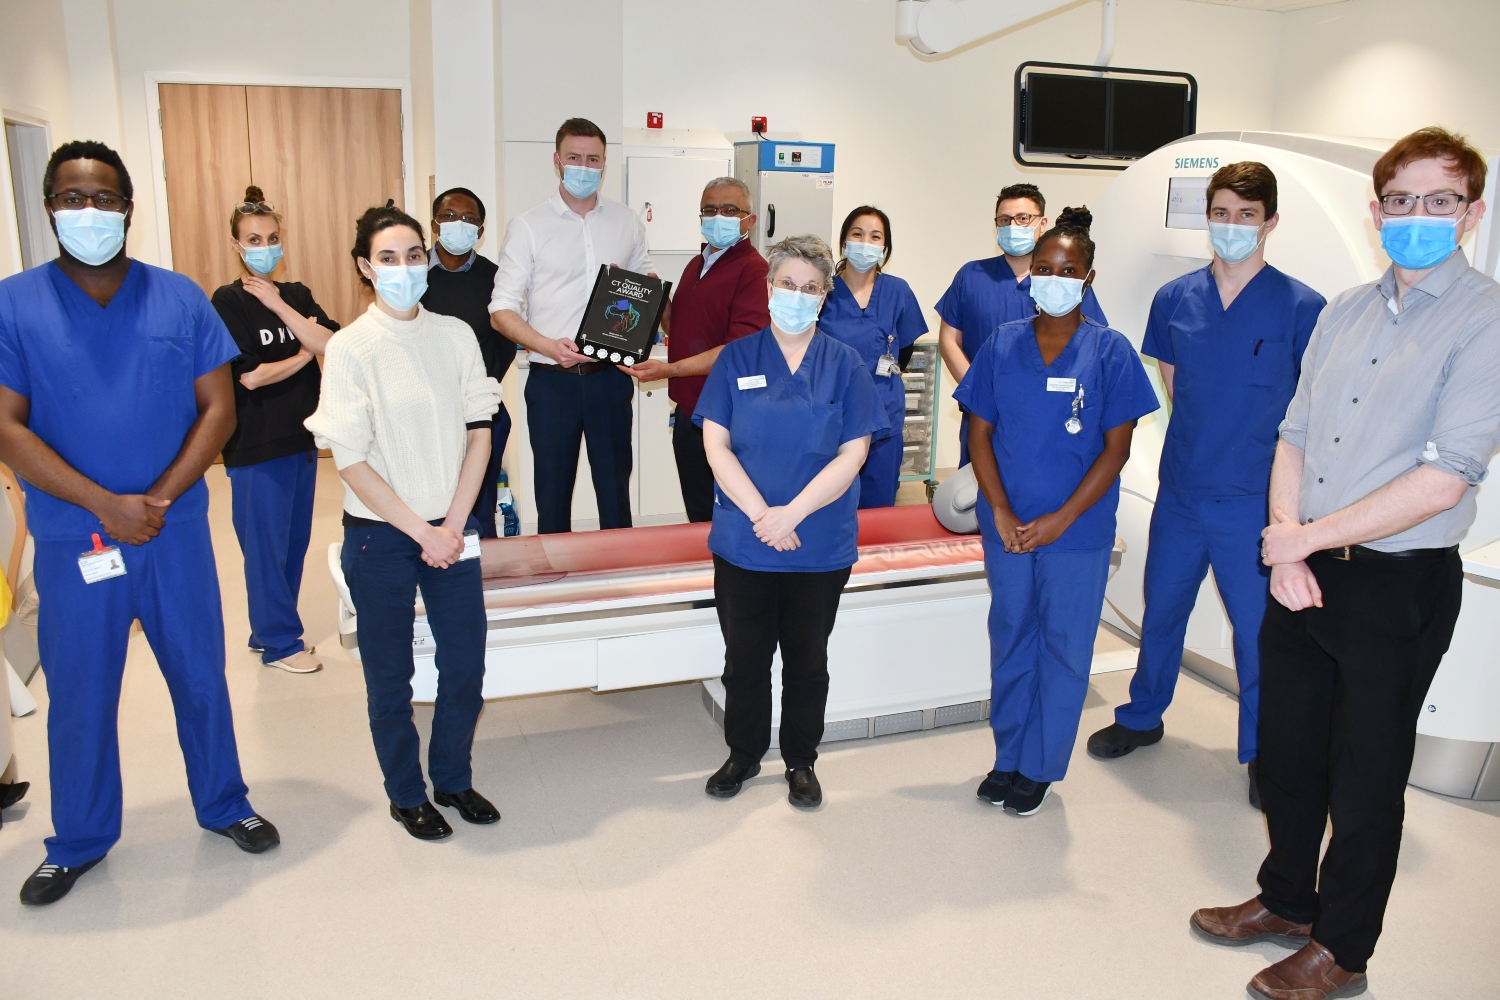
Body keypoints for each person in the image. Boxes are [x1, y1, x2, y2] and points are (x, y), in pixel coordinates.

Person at [1191, 127, 1500, 1000]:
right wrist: (1288, 535)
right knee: (1287, 756)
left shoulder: (1486, 319)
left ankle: (1343, 949)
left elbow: (1446, 478)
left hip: (1396, 581)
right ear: (1376, 212)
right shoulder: (1343, 311)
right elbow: (1292, 433)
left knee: (1365, 780)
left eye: (1439, 201)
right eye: (1400, 201)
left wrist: (1303, 541)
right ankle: (1286, 900)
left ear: (1471, 214)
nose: (1416, 217)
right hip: (1304, 564)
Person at [0, 141, 278, 906]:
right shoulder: (13, 303)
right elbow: (8, 426)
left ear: (129, 208)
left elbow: (218, 409)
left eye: (103, 199)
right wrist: (104, 504)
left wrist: (153, 500)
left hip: (172, 529)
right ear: (49, 206)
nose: (88, 213)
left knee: (199, 674)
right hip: (74, 534)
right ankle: (79, 838)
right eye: (70, 198)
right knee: (82, 689)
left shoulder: (179, 298)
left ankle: (225, 803)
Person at [1086, 163, 1326, 808]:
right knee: (1160, 609)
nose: (1232, 227)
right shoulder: (1174, 299)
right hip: (1184, 488)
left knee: (1256, 633)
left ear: (1270, 222)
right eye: (1221, 213)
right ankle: (1143, 716)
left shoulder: (1302, 307)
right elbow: (1173, 384)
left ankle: (1262, 750)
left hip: (1254, 500)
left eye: (1246, 215)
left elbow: (1310, 412)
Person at [306, 203, 503, 841]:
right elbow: (350, 460)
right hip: (382, 535)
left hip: (452, 523)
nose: (403, 267)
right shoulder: (349, 348)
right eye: (387, 258)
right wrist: (424, 534)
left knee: (466, 663)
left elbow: (481, 434)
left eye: (413, 254)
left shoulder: (455, 336)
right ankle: (405, 792)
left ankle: (451, 777)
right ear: (366, 267)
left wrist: (453, 523)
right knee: (390, 676)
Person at [954, 208, 1158, 817]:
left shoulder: (1111, 352)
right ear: (1030, 278)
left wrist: (1060, 520)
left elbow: (1116, 449)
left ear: (1088, 278)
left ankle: (1040, 768)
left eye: (1067, 270)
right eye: (1043, 269)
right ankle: (1008, 756)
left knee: (1064, 647)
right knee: (1011, 638)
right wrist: (999, 509)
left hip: (1077, 533)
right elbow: (980, 434)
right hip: (1008, 527)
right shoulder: (1002, 344)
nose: (1053, 278)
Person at [695, 235, 888, 808]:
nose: (797, 297)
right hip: (744, 541)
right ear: (769, 288)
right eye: (787, 285)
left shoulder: (845, 365)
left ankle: (801, 760)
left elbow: (853, 454)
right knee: (745, 657)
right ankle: (744, 753)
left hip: (818, 541)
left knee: (808, 660)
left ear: (824, 297)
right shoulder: (737, 358)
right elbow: (715, 444)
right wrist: (761, 516)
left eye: (810, 288)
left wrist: (791, 515)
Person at [490, 118, 653, 533]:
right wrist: (545, 345)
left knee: (616, 492)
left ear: (604, 163)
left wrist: (633, 285)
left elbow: (650, 290)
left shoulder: (627, 221)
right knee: (552, 493)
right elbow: (501, 309)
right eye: (574, 158)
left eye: (593, 159)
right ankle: (554, 582)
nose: (584, 166)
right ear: (557, 161)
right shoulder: (528, 226)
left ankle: (618, 578)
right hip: (552, 382)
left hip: (610, 379)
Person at [212, 185, 340, 675]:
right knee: (264, 548)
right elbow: (251, 375)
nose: (264, 247)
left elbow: (334, 340)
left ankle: (266, 629)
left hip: (302, 439)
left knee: (292, 544)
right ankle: (282, 643)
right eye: (253, 239)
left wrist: (287, 312)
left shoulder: (297, 295)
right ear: (237, 245)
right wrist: (305, 352)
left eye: (271, 237)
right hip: (256, 444)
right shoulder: (226, 302)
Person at [620, 177, 768, 522]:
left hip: (729, 418)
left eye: (730, 209)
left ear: (750, 219)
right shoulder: (696, 265)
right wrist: (652, 295)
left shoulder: (754, 271)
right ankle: (706, 571)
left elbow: (736, 351)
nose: (719, 216)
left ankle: (727, 573)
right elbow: (680, 328)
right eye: (710, 210)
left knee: (730, 512)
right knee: (699, 511)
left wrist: (669, 370)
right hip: (690, 413)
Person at [937, 183, 1108, 465]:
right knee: (976, 495)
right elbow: (949, 340)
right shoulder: (972, 276)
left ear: (1042, 223)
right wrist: (981, 392)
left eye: (1022, 218)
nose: (1013, 225)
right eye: (1005, 220)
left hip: (1050, 415)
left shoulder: (1064, 282)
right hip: (983, 412)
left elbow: (1089, 344)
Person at [816, 206, 928, 507]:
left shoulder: (897, 291)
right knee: (831, 504)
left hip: (883, 414)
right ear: (843, 242)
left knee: (878, 507)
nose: (865, 243)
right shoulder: (823, 291)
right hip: (833, 416)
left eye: (875, 236)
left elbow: (904, 350)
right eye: (857, 234)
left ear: (885, 247)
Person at [422, 186, 515, 537]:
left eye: (468, 218)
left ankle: (483, 574)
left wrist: (474, 392)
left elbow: (504, 344)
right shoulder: (414, 276)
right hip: (427, 412)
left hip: (481, 410)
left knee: (480, 501)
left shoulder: (495, 277)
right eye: (448, 216)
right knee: (432, 503)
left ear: (480, 228)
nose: (457, 223)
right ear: (434, 223)